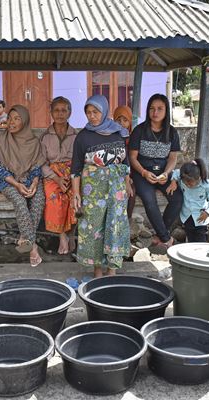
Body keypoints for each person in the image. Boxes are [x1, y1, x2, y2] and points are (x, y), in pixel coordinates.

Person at [71, 95, 133, 278]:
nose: (92, 116)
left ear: (104, 111)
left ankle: (112, 270)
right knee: (93, 228)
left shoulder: (118, 132)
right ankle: (97, 271)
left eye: (95, 112)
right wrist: (76, 193)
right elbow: (75, 168)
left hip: (116, 188)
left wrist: (127, 181)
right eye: (88, 113)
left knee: (115, 226)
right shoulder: (82, 137)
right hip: (93, 190)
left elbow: (125, 161)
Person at [128, 93, 183, 248]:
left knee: (177, 198)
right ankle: (167, 239)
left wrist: (166, 173)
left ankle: (159, 235)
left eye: (160, 109)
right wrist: (144, 172)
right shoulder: (139, 130)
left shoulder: (172, 132)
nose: (155, 112)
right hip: (141, 173)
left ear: (166, 111)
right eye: (152, 108)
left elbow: (173, 158)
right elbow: (132, 157)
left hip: (163, 173)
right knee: (149, 199)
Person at [0, 105, 45, 267]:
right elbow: (1, 170)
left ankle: (27, 239)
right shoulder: (2, 140)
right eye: (10, 118)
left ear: (24, 121)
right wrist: (17, 184)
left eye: (17, 118)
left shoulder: (34, 142)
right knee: (20, 202)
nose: (12, 122)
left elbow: (37, 168)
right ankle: (33, 247)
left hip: (31, 180)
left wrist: (35, 183)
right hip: (9, 181)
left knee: (38, 200)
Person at [41, 96, 78, 254]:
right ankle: (62, 236)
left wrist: (71, 177)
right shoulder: (45, 136)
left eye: (64, 110)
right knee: (54, 196)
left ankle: (71, 234)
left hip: (72, 173)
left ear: (70, 112)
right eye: (56, 110)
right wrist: (56, 178)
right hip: (51, 174)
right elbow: (41, 162)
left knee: (74, 196)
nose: (60, 114)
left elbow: (79, 160)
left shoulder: (76, 135)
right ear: (51, 112)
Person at [166, 158, 209, 242]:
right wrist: (173, 182)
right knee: (190, 240)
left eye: (190, 183)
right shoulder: (184, 176)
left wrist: (208, 212)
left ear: (199, 178)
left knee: (201, 244)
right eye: (185, 183)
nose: (187, 185)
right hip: (187, 217)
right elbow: (176, 172)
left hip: (201, 219)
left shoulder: (206, 186)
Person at [114, 105, 136, 219]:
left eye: (125, 120)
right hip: (115, 173)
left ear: (130, 122)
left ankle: (127, 222)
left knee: (131, 193)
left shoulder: (133, 138)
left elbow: (133, 160)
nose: (122, 123)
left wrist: (129, 177)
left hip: (131, 174)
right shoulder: (111, 137)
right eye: (118, 120)